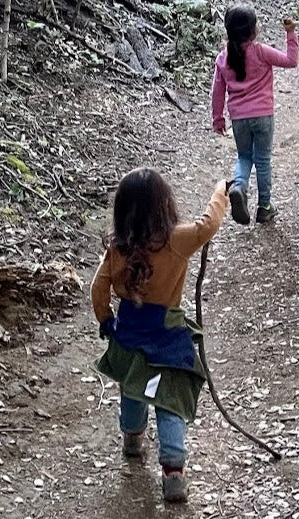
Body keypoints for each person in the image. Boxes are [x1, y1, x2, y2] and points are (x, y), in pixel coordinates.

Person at [92, 169, 230, 504]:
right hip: (166, 335)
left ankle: (132, 438)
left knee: (133, 386)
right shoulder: (176, 240)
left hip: (129, 332)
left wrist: (106, 320)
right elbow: (208, 225)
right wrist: (220, 192)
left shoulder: (118, 248)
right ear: (164, 205)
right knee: (169, 399)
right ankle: (173, 471)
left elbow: (98, 286)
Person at [211, 4, 299, 225]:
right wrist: (291, 33)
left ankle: (239, 186)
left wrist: (218, 119)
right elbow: (291, 61)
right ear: (253, 30)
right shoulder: (261, 51)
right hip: (263, 116)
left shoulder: (223, 58)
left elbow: (217, 91)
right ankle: (264, 207)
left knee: (244, 157)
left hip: (239, 119)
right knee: (262, 160)